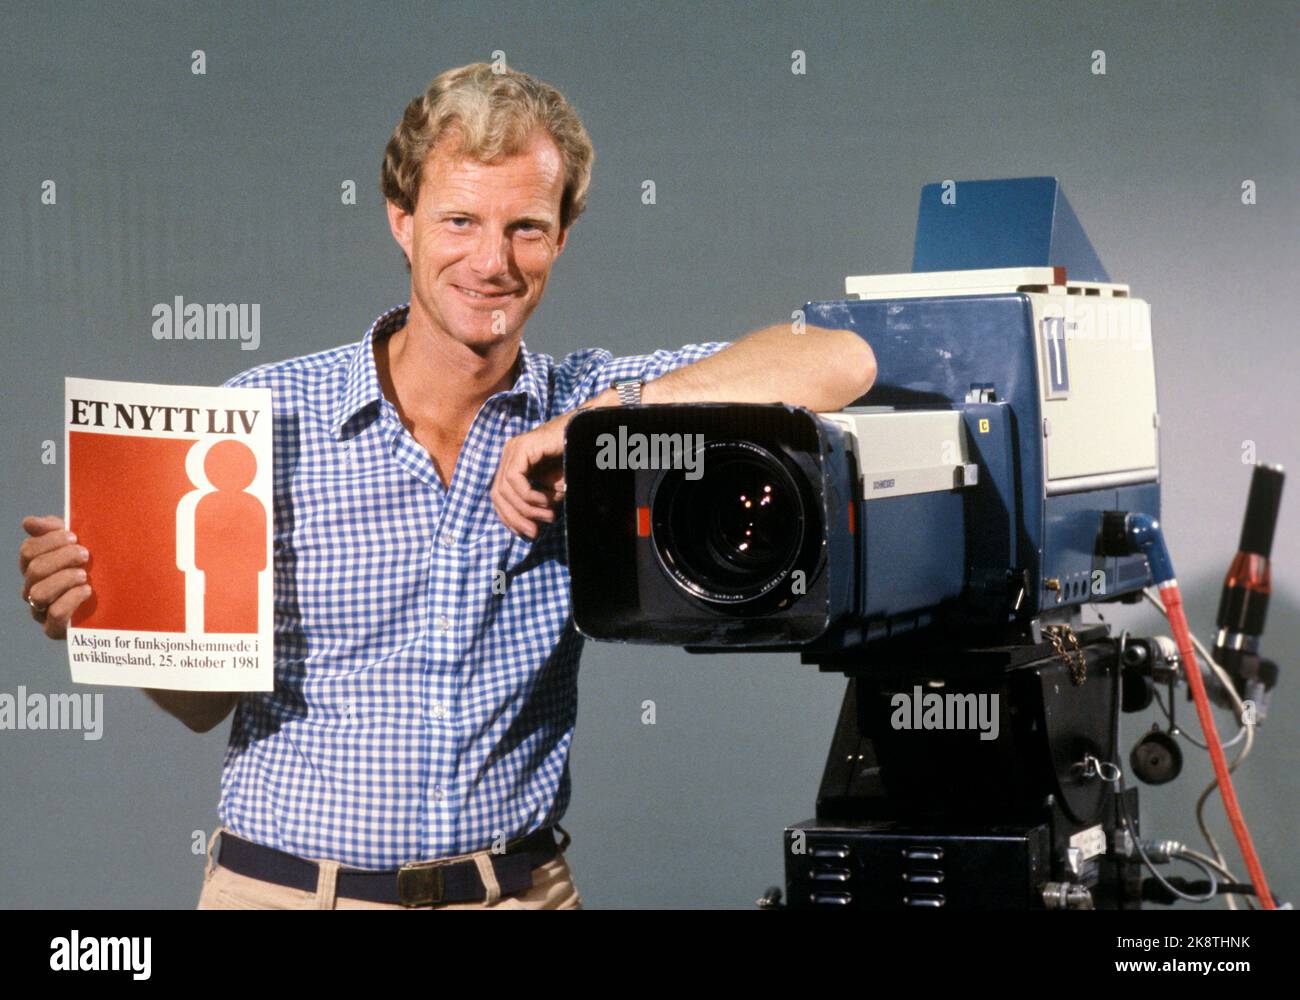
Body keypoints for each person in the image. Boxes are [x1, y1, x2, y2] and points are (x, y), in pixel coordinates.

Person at [18, 62, 876, 909]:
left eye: (527, 228)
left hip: (511, 895)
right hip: (286, 896)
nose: (492, 262)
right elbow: (204, 704)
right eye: (460, 220)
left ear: (564, 235)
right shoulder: (267, 413)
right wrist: (110, 613)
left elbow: (843, 358)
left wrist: (597, 425)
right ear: (403, 222)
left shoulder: (593, 408)